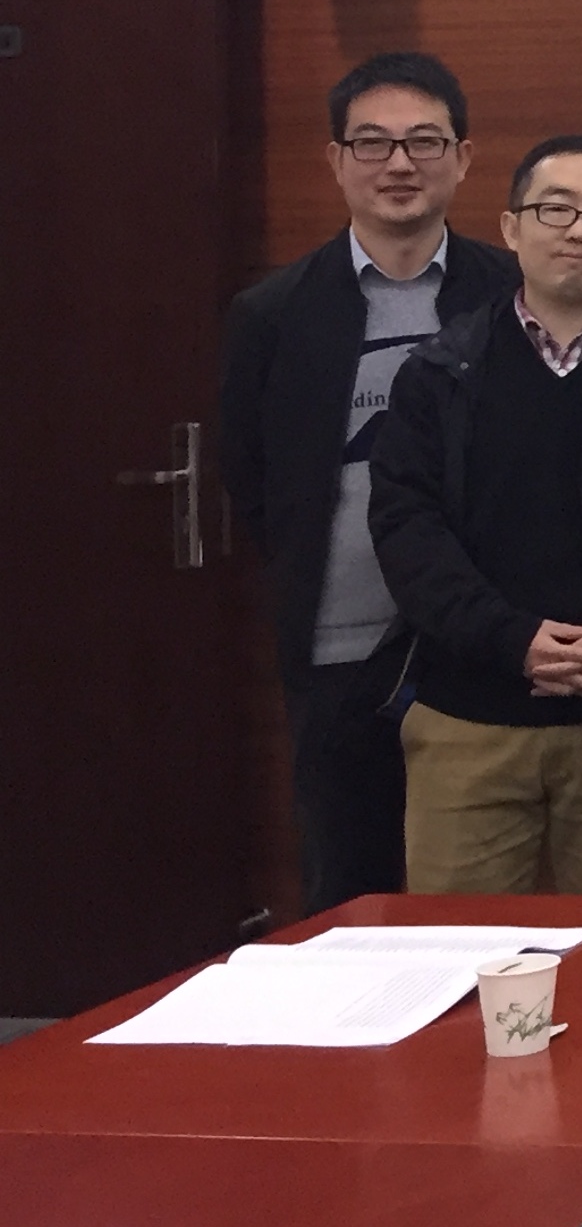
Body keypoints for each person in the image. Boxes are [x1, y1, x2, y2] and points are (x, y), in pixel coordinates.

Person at [367, 137, 582, 894]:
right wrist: (512, 638)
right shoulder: (439, 370)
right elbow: (407, 530)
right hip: (470, 720)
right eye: (556, 209)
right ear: (511, 227)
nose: (580, 230)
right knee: (463, 949)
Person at [220, 51, 517, 913]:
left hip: (481, 644)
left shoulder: (510, 294)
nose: (398, 163)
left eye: (424, 141)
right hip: (338, 647)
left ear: (463, 157)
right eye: (373, 142)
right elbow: (255, 479)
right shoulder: (274, 312)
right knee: (350, 893)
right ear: (336, 159)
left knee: (481, 898)